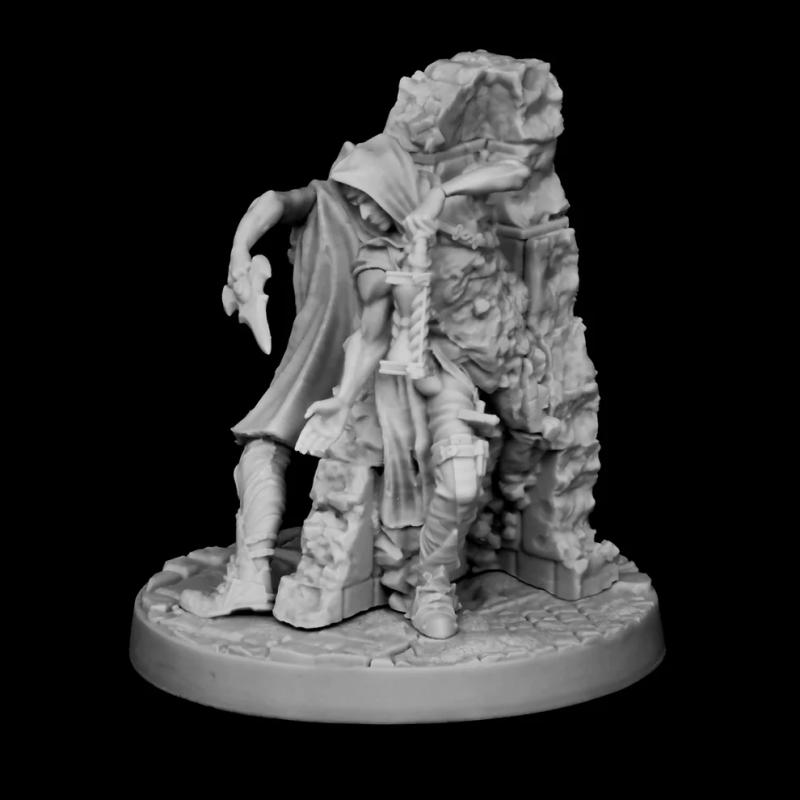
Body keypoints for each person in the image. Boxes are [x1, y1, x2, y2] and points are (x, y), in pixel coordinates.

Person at [296, 133, 540, 639]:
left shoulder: (454, 221)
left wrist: (440, 195)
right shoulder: (376, 257)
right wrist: (342, 400)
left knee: (475, 474)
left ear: (390, 186)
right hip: (406, 382)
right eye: (354, 203)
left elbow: (517, 171)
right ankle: (431, 587)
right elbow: (370, 337)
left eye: (367, 198)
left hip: (469, 372)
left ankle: (434, 577)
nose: (363, 212)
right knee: (455, 478)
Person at [180, 143, 379, 617]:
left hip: (323, 358)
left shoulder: (327, 199)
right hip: (372, 367)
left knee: (262, 448)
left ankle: (250, 577)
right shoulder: (394, 231)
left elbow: (272, 201)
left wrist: (239, 249)